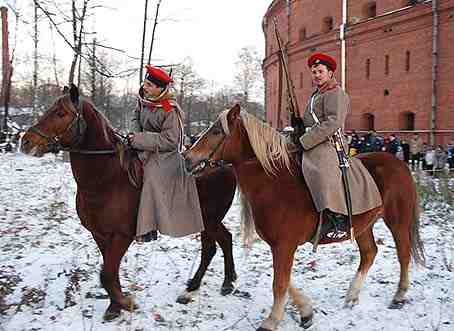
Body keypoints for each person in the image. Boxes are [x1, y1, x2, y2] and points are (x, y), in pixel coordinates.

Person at [298, 53, 382, 239]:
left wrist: (305, 140)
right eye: (314, 72)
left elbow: (333, 122)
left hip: (329, 143)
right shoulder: (316, 95)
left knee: (320, 168)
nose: (317, 75)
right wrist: (297, 123)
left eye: (320, 71)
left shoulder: (336, 93)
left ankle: (336, 217)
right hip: (314, 138)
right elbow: (309, 119)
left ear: (330, 72)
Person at [128, 64, 204, 242]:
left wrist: (140, 139)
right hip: (141, 145)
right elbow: (135, 117)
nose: (145, 87)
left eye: (149, 85)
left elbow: (170, 140)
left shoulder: (169, 109)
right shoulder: (142, 99)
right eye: (145, 83)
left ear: (161, 89)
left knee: (152, 178)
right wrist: (134, 134)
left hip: (164, 155)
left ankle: (148, 228)